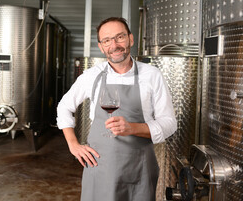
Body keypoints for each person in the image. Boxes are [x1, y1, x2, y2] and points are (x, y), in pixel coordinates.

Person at [56, 17, 177, 201]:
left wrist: (133, 128)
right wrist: (73, 145)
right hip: (100, 165)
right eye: (107, 40)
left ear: (131, 39)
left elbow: (169, 123)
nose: (114, 45)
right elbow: (64, 107)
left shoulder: (152, 75)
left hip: (139, 168)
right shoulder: (91, 76)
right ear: (101, 46)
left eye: (120, 37)